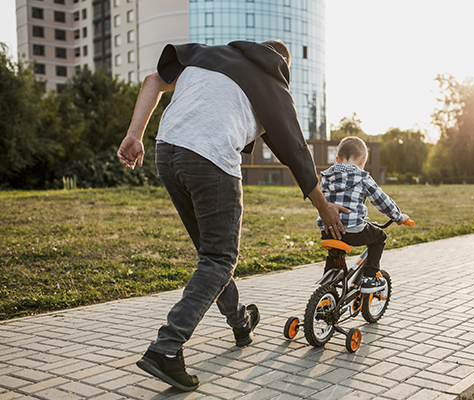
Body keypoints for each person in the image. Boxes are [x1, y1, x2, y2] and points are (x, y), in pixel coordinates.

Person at [117, 40, 348, 392]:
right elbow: (297, 153)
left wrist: (134, 135)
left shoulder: (208, 54)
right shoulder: (272, 85)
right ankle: (166, 347)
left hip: (167, 151)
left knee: (211, 255)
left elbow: (152, 81)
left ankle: (240, 322)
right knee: (220, 259)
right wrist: (323, 206)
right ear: (282, 65)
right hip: (210, 158)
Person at [317, 136, 409, 292]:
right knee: (379, 238)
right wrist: (399, 217)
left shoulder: (326, 176)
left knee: (335, 253)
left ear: (337, 159)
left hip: (328, 229)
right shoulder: (362, 177)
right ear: (363, 161)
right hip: (353, 230)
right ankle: (369, 277)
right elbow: (382, 201)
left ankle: (328, 286)